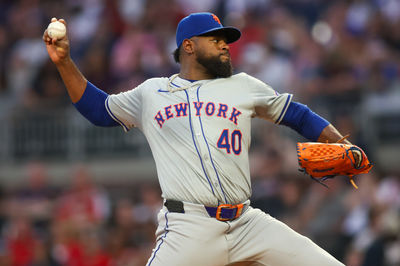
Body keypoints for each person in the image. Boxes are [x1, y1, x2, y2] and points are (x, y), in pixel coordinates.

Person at [43, 12, 351, 266]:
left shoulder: (242, 85)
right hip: (189, 228)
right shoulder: (152, 92)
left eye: (225, 40)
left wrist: (341, 144)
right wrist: (64, 62)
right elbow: (98, 109)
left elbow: (297, 114)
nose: (225, 46)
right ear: (188, 46)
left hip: (247, 223)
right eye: (215, 39)